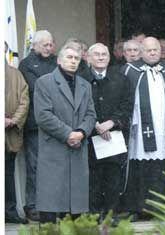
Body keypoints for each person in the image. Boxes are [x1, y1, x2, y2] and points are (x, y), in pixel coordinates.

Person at [121, 37, 165, 219]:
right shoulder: (129, 71)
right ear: (141, 51)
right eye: (149, 50)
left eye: (156, 49)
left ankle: (164, 208)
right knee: (141, 168)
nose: (153, 53)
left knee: (162, 167)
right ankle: (139, 208)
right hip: (139, 129)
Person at [34, 42, 97, 223]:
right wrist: (69, 134)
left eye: (77, 58)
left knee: (75, 210)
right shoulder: (44, 82)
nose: (73, 61)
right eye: (69, 57)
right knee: (51, 204)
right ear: (59, 60)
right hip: (55, 149)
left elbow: (91, 115)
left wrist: (81, 132)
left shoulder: (85, 85)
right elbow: (43, 116)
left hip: (78, 149)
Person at [85, 43, 130, 218]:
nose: (101, 57)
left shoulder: (121, 79)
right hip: (89, 135)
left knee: (113, 178)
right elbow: (79, 106)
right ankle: (93, 215)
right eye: (96, 54)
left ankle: (111, 215)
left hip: (113, 135)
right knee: (93, 179)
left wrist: (111, 122)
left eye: (104, 54)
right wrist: (95, 123)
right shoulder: (81, 78)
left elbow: (126, 105)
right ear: (88, 58)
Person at [18, 30, 57, 221]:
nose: (49, 48)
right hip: (35, 124)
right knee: (35, 167)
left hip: (58, 124)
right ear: (34, 45)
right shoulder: (26, 64)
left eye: (51, 44)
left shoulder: (58, 61)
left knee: (55, 167)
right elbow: (36, 88)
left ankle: (52, 205)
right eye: (45, 45)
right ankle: (33, 205)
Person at [5, 60, 30, 224]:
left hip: (9, 132)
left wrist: (13, 120)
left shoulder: (16, 75)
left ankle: (9, 211)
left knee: (7, 174)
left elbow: (24, 100)